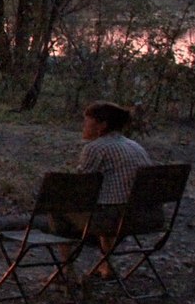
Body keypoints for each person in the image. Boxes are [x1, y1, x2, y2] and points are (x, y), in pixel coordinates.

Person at [62, 101, 158, 276]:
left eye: (87, 122)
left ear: (102, 125)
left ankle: (66, 272)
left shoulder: (95, 148)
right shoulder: (135, 146)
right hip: (148, 217)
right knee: (110, 203)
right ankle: (106, 265)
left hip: (116, 220)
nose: (83, 126)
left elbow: (81, 189)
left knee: (59, 211)